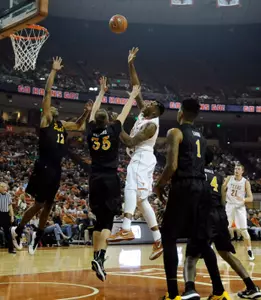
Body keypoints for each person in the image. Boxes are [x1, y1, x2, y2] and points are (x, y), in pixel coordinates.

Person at [11, 57, 92, 255]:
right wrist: (54, 71)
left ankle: (37, 235)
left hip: (56, 169)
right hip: (44, 166)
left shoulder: (61, 125)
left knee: (48, 205)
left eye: (55, 107)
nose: (52, 107)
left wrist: (86, 113)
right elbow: (48, 92)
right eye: (50, 107)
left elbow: (80, 126)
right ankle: (19, 230)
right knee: (39, 204)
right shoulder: (46, 120)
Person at [153, 99, 230, 300]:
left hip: (184, 185)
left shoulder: (175, 132)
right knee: (201, 240)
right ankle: (219, 292)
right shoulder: (202, 138)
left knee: (169, 237)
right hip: (201, 188)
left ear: (180, 112)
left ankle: (172, 294)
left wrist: (159, 185)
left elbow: (172, 166)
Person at [107, 47, 165, 261]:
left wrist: (117, 126)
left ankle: (127, 227)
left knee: (131, 188)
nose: (146, 103)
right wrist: (130, 63)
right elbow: (136, 88)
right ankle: (159, 240)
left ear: (156, 111)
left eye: (151, 104)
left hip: (142, 156)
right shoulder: (144, 113)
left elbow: (130, 140)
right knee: (142, 200)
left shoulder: (151, 125)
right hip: (140, 157)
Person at [183, 149, 261, 300]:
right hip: (219, 214)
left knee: (191, 256)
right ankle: (251, 286)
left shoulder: (195, 173)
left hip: (204, 215)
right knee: (226, 254)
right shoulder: (219, 177)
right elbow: (223, 199)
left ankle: (190, 289)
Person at [87, 75, 141, 281]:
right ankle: (100, 257)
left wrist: (101, 92)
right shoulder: (113, 128)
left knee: (98, 221)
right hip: (109, 178)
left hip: (94, 178)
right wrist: (133, 96)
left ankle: (95, 257)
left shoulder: (91, 130)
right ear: (108, 120)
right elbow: (125, 112)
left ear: (95, 121)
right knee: (107, 221)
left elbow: (93, 112)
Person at [223, 165, 254, 260]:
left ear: (242, 171)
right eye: (235, 169)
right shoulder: (229, 178)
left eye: (238, 169)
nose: (236, 170)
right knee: (225, 229)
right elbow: (222, 190)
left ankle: (249, 250)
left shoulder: (245, 182)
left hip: (239, 207)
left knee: (244, 231)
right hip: (229, 205)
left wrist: (244, 199)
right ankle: (226, 249)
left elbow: (251, 198)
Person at [0, 182, 15, 254]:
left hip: (6, 215)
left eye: (5, 187)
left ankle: (11, 249)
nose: (4, 188)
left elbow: (10, 206)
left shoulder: (8, 195)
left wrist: (12, 216)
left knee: (8, 233)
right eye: (2, 186)